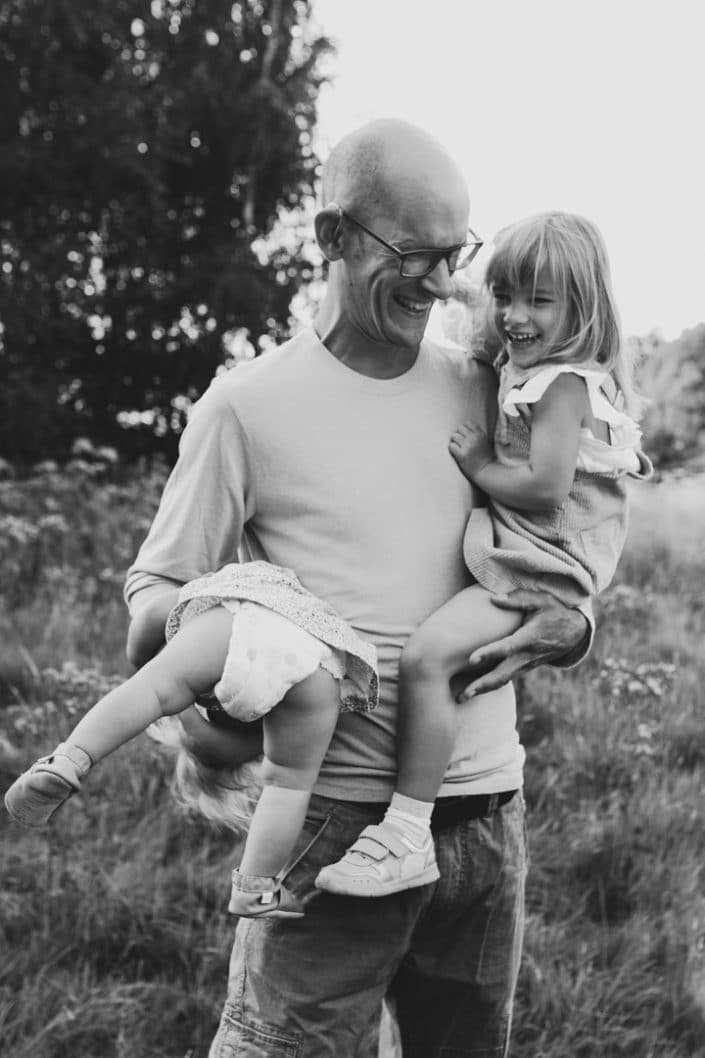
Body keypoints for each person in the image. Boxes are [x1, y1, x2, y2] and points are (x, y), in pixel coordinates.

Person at [123, 120, 591, 1058]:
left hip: (486, 823)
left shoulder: (488, 390)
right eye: (413, 252)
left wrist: (568, 628)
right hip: (330, 827)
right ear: (330, 236)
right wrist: (223, 719)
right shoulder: (244, 408)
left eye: (453, 253)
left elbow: (557, 555)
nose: (441, 281)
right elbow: (157, 598)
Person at [315, 211, 652, 898]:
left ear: (581, 305)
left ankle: (406, 829)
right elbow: (480, 311)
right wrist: (464, 287)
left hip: (542, 559)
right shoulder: (527, 365)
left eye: (538, 299)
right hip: (531, 551)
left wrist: (477, 464)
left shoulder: (562, 386)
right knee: (428, 658)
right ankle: (408, 824)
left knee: (426, 658)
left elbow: (543, 487)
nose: (514, 316)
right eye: (506, 295)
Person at [4, 560, 378, 918]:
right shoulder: (212, 626)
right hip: (290, 633)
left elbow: (275, 765)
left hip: (294, 651)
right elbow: (149, 623)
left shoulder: (251, 739)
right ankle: (71, 756)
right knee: (286, 779)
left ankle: (256, 885)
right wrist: (144, 655)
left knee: (282, 778)